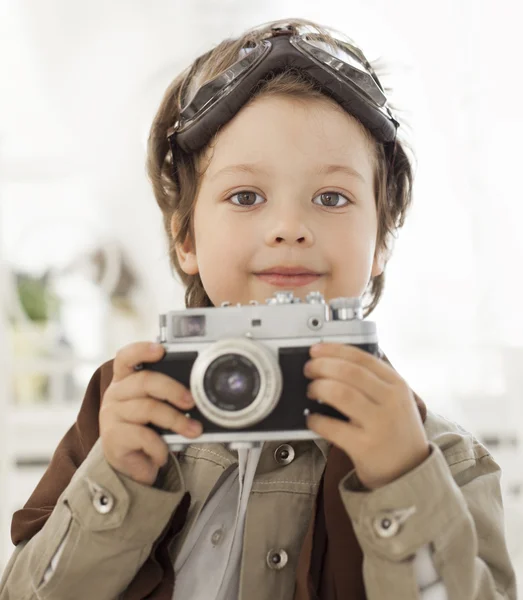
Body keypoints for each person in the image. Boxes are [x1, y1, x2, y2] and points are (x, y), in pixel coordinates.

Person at [0, 18, 517, 600]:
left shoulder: (441, 460)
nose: (289, 228)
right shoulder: (127, 409)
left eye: (331, 197)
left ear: (382, 241)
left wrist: (402, 480)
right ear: (185, 240)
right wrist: (115, 479)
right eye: (245, 197)